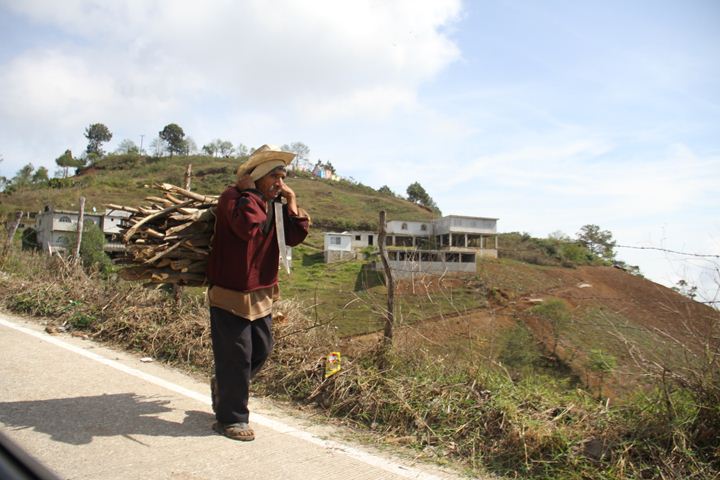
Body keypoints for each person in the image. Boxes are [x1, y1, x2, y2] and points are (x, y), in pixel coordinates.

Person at [206, 144, 309, 441]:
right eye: (274, 177)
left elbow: (295, 236)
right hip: (230, 293)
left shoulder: (275, 205)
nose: (280, 183)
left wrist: (291, 200)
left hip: (261, 294)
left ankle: (225, 385)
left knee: (261, 351)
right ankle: (232, 419)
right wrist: (250, 193)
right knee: (237, 357)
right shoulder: (233, 199)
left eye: (283, 177)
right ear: (257, 178)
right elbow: (247, 227)